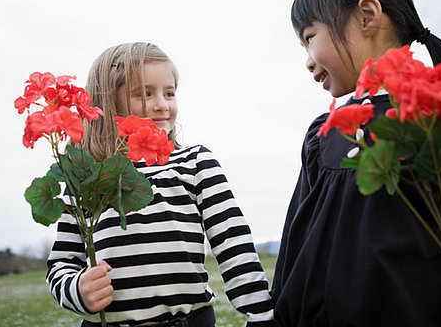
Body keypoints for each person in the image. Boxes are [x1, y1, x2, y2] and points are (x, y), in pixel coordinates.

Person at [271, 0, 441, 326]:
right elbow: (296, 251)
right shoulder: (324, 134)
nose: (308, 61)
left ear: (367, 15)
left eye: (310, 38)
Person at [47, 42, 275, 327]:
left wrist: (261, 313)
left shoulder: (194, 162)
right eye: (144, 93)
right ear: (107, 102)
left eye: (169, 92)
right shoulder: (83, 177)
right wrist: (78, 291)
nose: (162, 104)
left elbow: (232, 241)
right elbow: (61, 263)